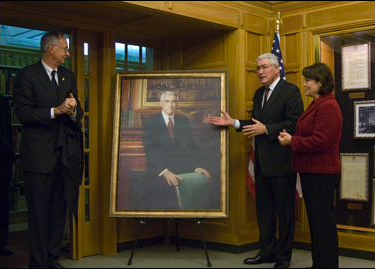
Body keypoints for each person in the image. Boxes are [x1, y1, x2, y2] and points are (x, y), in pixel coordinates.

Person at [210, 53, 304, 268]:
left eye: (264, 67)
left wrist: (267, 129)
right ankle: (267, 252)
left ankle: (283, 257)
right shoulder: (258, 93)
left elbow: (296, 123)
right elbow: (254, 124)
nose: (260, 72)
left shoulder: (291, 91)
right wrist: (233, 122)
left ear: (276, 68)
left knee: (285, 213)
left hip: (282, 164)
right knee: (264, 212)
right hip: (261, 163)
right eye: (257, 69)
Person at [13, 30, 84, 268]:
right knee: (38, 213)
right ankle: (38, 262)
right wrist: (57, 111)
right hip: (38, 157)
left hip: (64, 156)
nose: (68, 53)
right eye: (65, 48)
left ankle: (52, 260)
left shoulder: (68, 76)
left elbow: (78, 112)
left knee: (57, 213)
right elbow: (23, 113)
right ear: (51, 49)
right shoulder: (26, 75)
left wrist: (72, 110)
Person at [278, 62, 342, 268]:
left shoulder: (329, 106)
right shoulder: (319, 103)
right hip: (312, 172)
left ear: (320, 82)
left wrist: (292, 141)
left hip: (320, 174)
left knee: (323, 224)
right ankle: (320, 264)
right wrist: (292, 137)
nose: (304, 84)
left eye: (308, 80)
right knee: (317, 223)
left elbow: (320, 141)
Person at [142, 91, 211, 209]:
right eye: (167, 101)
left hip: (181, 174)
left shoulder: (184, 122)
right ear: (161, 104)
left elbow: (191, 148)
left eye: (173, 101)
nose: (171, 105)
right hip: (158, 174)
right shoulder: (150, 122)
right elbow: (150, 151)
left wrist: (197, 167)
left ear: (177, 103)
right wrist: (165, 172)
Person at [0, 94, 15, 256]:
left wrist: (8, 159)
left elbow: (7, 132)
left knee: (2, 204)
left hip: (1, 161)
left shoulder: (2, 101)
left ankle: (0, 244)